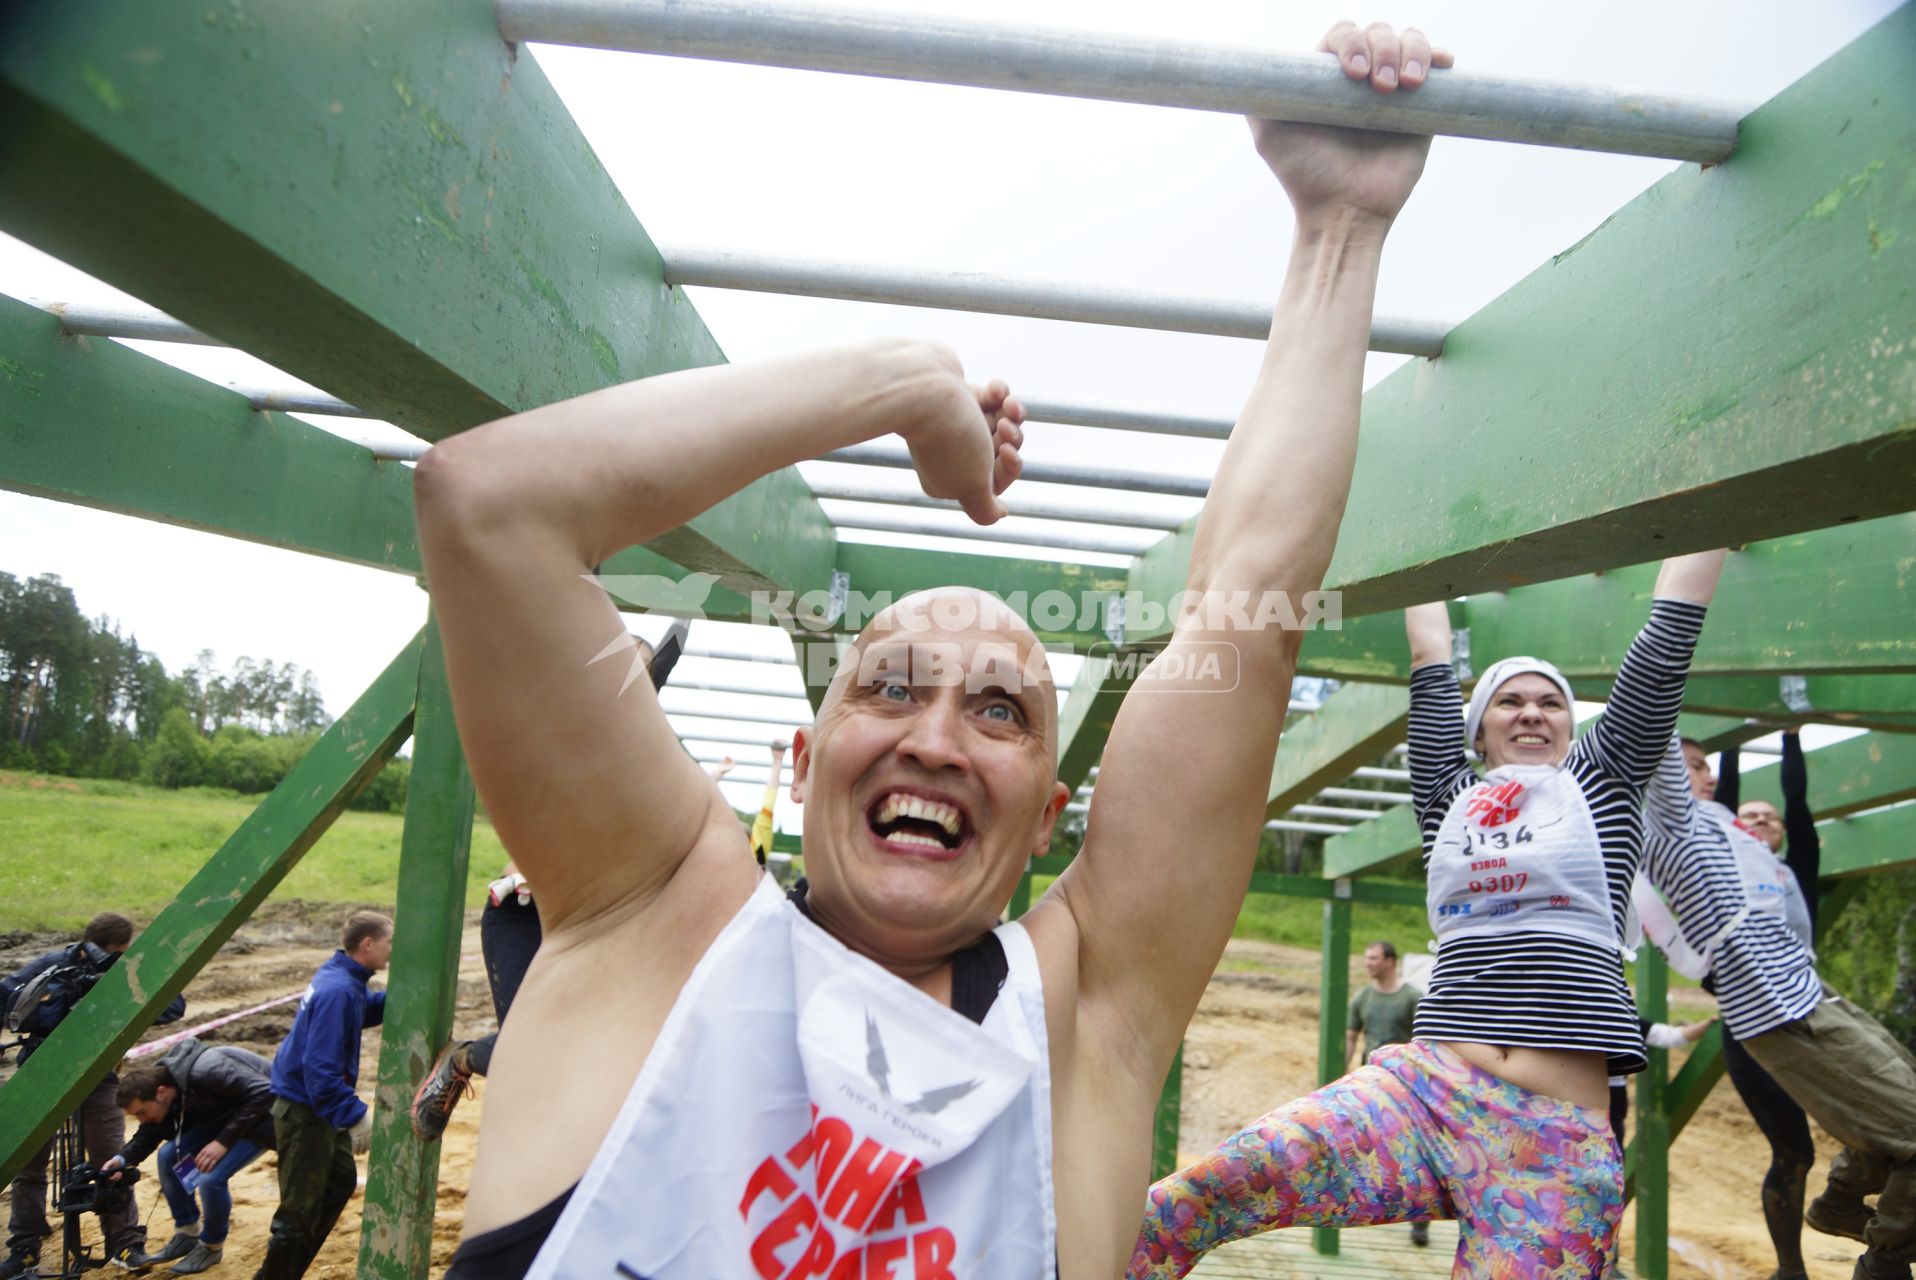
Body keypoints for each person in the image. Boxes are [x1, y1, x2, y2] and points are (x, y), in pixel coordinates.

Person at [414, 19, 1436, 1276]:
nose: (938, 738)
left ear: (1053, 811)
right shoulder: (652, 918)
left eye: (1002, 711)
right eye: (888, 687)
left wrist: (1339, 229)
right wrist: (903, 380)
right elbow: (488, 510)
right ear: (802, 759)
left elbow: (1250, 595)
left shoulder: (1081, 1020)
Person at [1131, 549, 1726, 1279]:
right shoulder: (1451, 797)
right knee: (1190, 1198)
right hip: (1423, 1094)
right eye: (1510, 701)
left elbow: (1669, 634)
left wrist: (1715, 521)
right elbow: (1429, 649)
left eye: (1550, 701)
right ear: (1478, 732)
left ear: (1575, 727)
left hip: (1552, 1144)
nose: (1531, 711)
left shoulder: (1602, 780)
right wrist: (1411, 535)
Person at [1646, 732, 1916, 1280]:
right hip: (1774, 1011)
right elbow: (1656, 746)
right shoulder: (1675, 828)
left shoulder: (1742, 843)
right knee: (1800, 1150)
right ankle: (1878, 1262)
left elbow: (1790, 811)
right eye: (1694, 766)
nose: (1710, 777)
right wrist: (1769, 727)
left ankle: (1841, 1201)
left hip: (1809, 994)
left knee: (1900, 1112)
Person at [410, 628, 696, 1142]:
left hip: (596, 925)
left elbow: (667, 649)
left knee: (600, 1051)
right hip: (524, 912)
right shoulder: (562, 733)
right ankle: (459, 1063)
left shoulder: (645, 757)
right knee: (529, 1049)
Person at [1, 912, 184, 1277]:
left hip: (79, 1075)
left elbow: (173, 1006)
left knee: (98, 1163)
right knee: (53, 1163)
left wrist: (121, 989)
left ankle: (115, 1245)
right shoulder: (57, 968)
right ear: (121, 944)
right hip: (48, 1074)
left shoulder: (110, 968)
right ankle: (37, 1248)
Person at [254, 910, 391, 1280]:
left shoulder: (344, 978)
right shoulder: (339, 990)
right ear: (367, 944)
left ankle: (288, 1271)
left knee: (339, 1182)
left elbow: (362, 1009)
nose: (392, 951)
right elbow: (320, 1070)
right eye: (388, 943)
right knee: (296, 1216)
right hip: (306, 1112)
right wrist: (354, 1115)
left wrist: (404, 994)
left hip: (316, 1106)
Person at [103, 1041, 278, 1275]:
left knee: (210, 1180)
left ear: (161, 1093)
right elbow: (149, 1133)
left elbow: (264, 1091)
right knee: (168, 1156)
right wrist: (122, 1160)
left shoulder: (207, 1070)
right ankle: (187, 1232)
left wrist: (222, 1142)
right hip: (224, 1118)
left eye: (141, 1113)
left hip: (264, 1117)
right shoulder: (165, 1088)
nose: (141, 1119)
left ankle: (211, 1246)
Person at [1343, 940, 1429, 1245]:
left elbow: (1425, 1044)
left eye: (1374, 958)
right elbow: (1351, 1037)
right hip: (1370, 1086)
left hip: (1407, 1088)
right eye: (1366, 958)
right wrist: (1341, 1075)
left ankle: (1420, 1222)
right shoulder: (1362, 997)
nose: (1368, 963)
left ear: (1390, 961)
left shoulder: (1412, 998)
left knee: (1415, 1154)